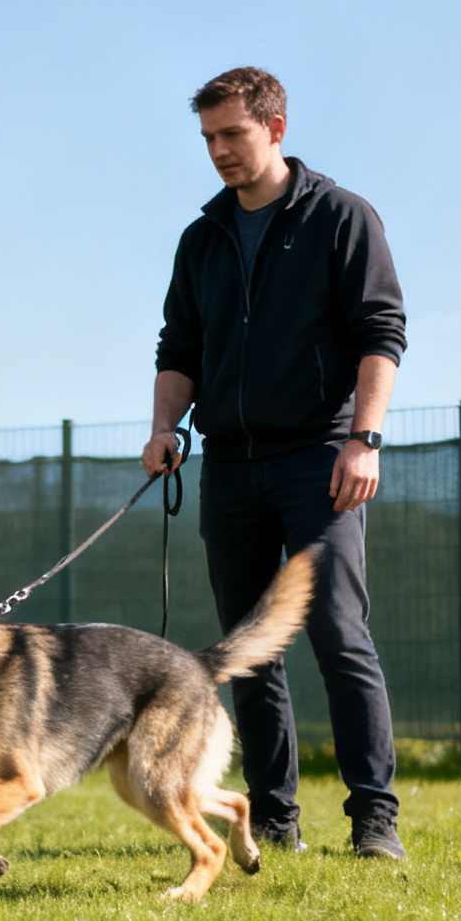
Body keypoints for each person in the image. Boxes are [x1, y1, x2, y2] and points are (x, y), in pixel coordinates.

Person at [140, 66, 407, 859]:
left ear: (276, 128)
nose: (220, 150)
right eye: (209, 138)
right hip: (229, 468)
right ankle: (273, 817)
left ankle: (374, 819)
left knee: (337, 634)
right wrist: (163, 427)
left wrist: (364, 439)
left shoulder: (341, 217)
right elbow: (178, 348)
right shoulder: (203, 238)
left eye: (234, 134)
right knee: (249, 648)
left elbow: (381, 333)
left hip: (320, 459)